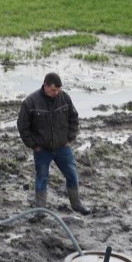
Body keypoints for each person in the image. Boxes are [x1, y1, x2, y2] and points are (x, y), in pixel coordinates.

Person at [17, 72, 90, 215]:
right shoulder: (30, 102)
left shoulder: (64, 98)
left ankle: (76, 204)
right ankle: (40, 211)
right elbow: (22, 126)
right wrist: (33, 145)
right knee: (41, 178)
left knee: (72, 174)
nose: (56, 93)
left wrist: (69, 138)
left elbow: (74, 118)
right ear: (45, 86)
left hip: (63, 147)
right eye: (53, 90)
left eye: (58, 90)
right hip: (42, 149)